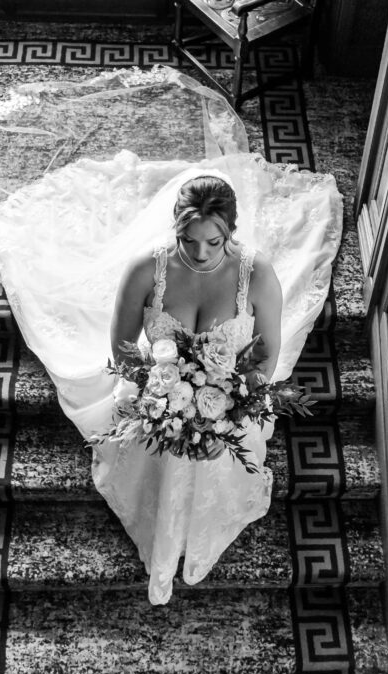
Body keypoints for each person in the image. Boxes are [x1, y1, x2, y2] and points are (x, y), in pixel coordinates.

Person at [100, 172, 281, 604]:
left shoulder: (257, 276)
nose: (200, 253)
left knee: (212, 459)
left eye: (214, 243)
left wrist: (224, 421)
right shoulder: (146, 270)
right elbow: (124, 353)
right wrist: (164, 410)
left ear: (230, 233)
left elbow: (265, 361)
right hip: (155, 396)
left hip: (229, 404)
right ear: (175, 228)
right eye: (189, 240)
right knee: (162, 455)